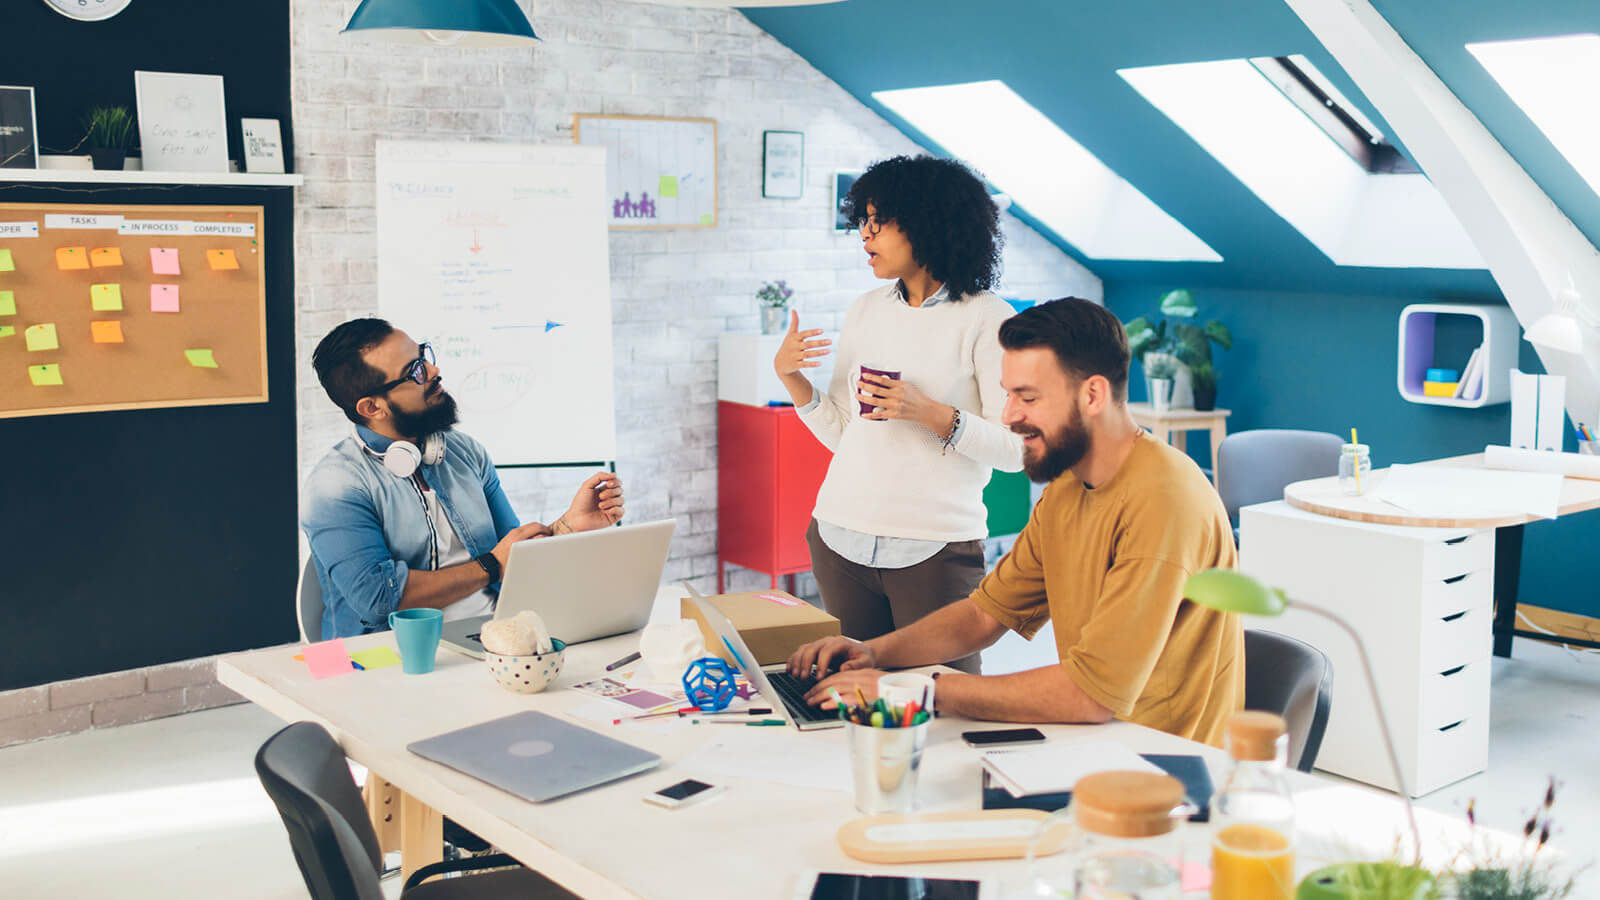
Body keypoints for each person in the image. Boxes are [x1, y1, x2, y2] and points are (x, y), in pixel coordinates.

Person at [787, 298, 1243, 746]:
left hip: (1163, 765)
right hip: (1096, 744)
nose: (1008, 416)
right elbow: (983, 615)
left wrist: (916, 691)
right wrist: (872, 652)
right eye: (1008, 395)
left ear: (1093, 395)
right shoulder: (1068, 487)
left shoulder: (1164, 500)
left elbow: (1090, 697)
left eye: (1028, 397)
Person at [773, 155, 1023, 673]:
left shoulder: (988, 319)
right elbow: (846, 434)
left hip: (935, 550)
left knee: (944, 702)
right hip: (839, 538)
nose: (865, 233)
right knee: (854, 696)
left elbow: (1017, 451)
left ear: (929, 222)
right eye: (862, 220)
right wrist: (792, 379)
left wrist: (932, 414)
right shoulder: (865, 309)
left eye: (878, 221)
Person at [301, 318, 624, 639]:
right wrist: (491, 566)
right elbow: (377, 598)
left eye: (424, 356)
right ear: (373, 407)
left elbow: (514, 557)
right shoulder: (334, 485)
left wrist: (568, 526)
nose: (433, 371)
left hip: (496, 636)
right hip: (394, 656)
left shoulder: (464, 451)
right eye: (415, 371)